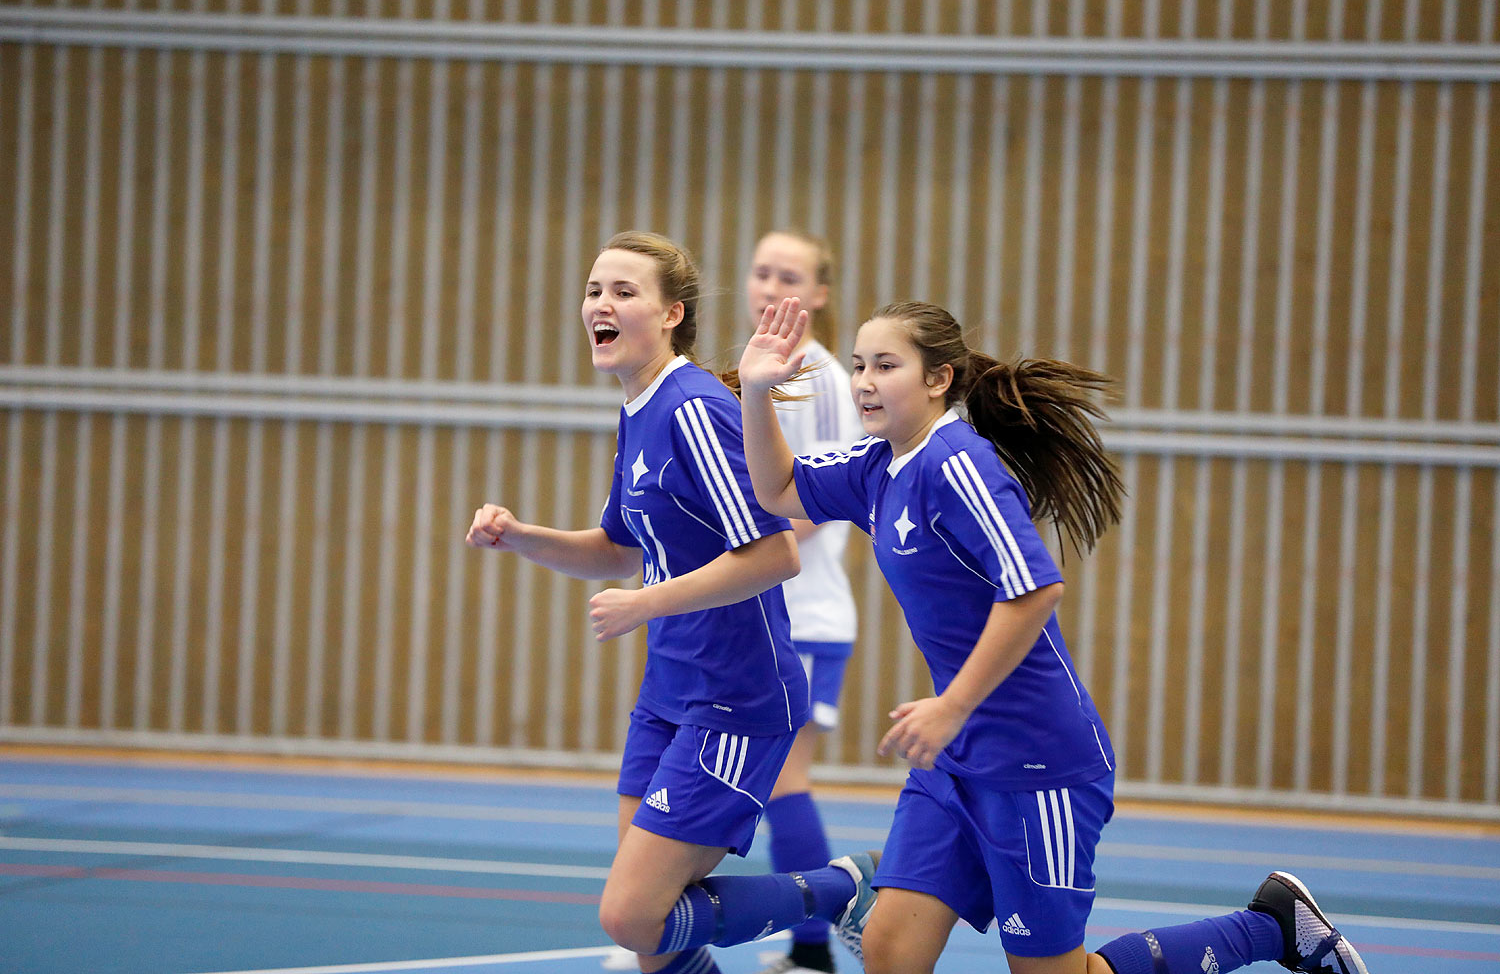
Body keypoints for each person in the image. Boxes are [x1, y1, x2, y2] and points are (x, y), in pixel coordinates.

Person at [735, 297, 1372, 974]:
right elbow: (776, 489)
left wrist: (951, 706)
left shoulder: (957, 464)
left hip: (1039, 765)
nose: (863, 380)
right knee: (891, 954)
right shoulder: (876, 467)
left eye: (886, 365)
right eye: (859, 364)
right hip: (956, 766)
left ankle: (1269, 927)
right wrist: (755, 392)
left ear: (938, 379)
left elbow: (1035, 589)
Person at [466, 232, 875, 974]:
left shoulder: (694, 409)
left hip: (737, 699)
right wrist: (521, 537)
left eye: (624, 291)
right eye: (594, 290)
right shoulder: (638, 410)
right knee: (654, 940)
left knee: (633, 915)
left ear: (670, 314)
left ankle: (840, 886)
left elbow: (775, 552)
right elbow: (620, 549)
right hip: (671, 690)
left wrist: (646, 604)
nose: (602, 304)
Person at [743, 231, 863, 974]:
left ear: (818, 294)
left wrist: (731, 547)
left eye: (789, 276)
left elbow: (815, 499)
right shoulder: (758, 370)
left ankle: (816, 947)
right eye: (760, 272)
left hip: (806, 618)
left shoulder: (816, 379)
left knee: (785, 782)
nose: (770, 286)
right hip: (753, 617)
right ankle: (665, 928)